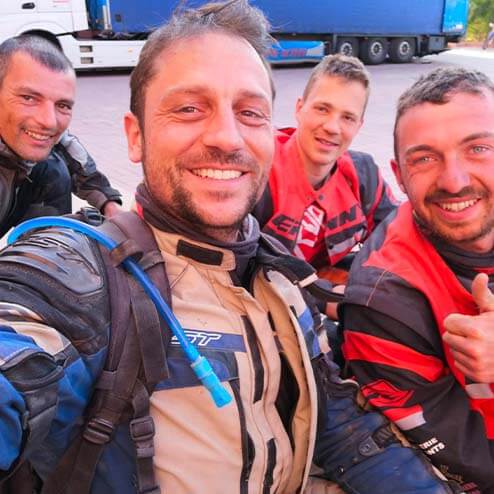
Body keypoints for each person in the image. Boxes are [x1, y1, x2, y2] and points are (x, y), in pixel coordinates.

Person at [0, 2, 459, 493]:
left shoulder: (280, 276)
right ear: (135, 137)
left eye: (250, 112)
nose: (226, 136)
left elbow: (344, 428)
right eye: (189, 108)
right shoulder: (81, 277)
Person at [341, 66, 494, 493]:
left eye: (478, 148)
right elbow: (469, 459)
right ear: (399, 174)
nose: (454, 181)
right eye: (424, 158)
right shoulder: (383, 298)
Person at [253, 54, 397, 289]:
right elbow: (235, 269)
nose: (332, 127)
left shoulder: (364, 176)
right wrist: (326, 297)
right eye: (322, 109)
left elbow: (399, 241)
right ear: (299, 108)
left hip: (320, 282)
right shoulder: (258, 169)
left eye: (347, 117)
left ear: (359, 126)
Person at [0, 35, 122, 238]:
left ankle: (42, 249)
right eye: (28, 98)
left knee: (52, 167)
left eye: (62, 105)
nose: (49, 122)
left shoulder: (49, 136)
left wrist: (111, 207)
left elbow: (78, 164)